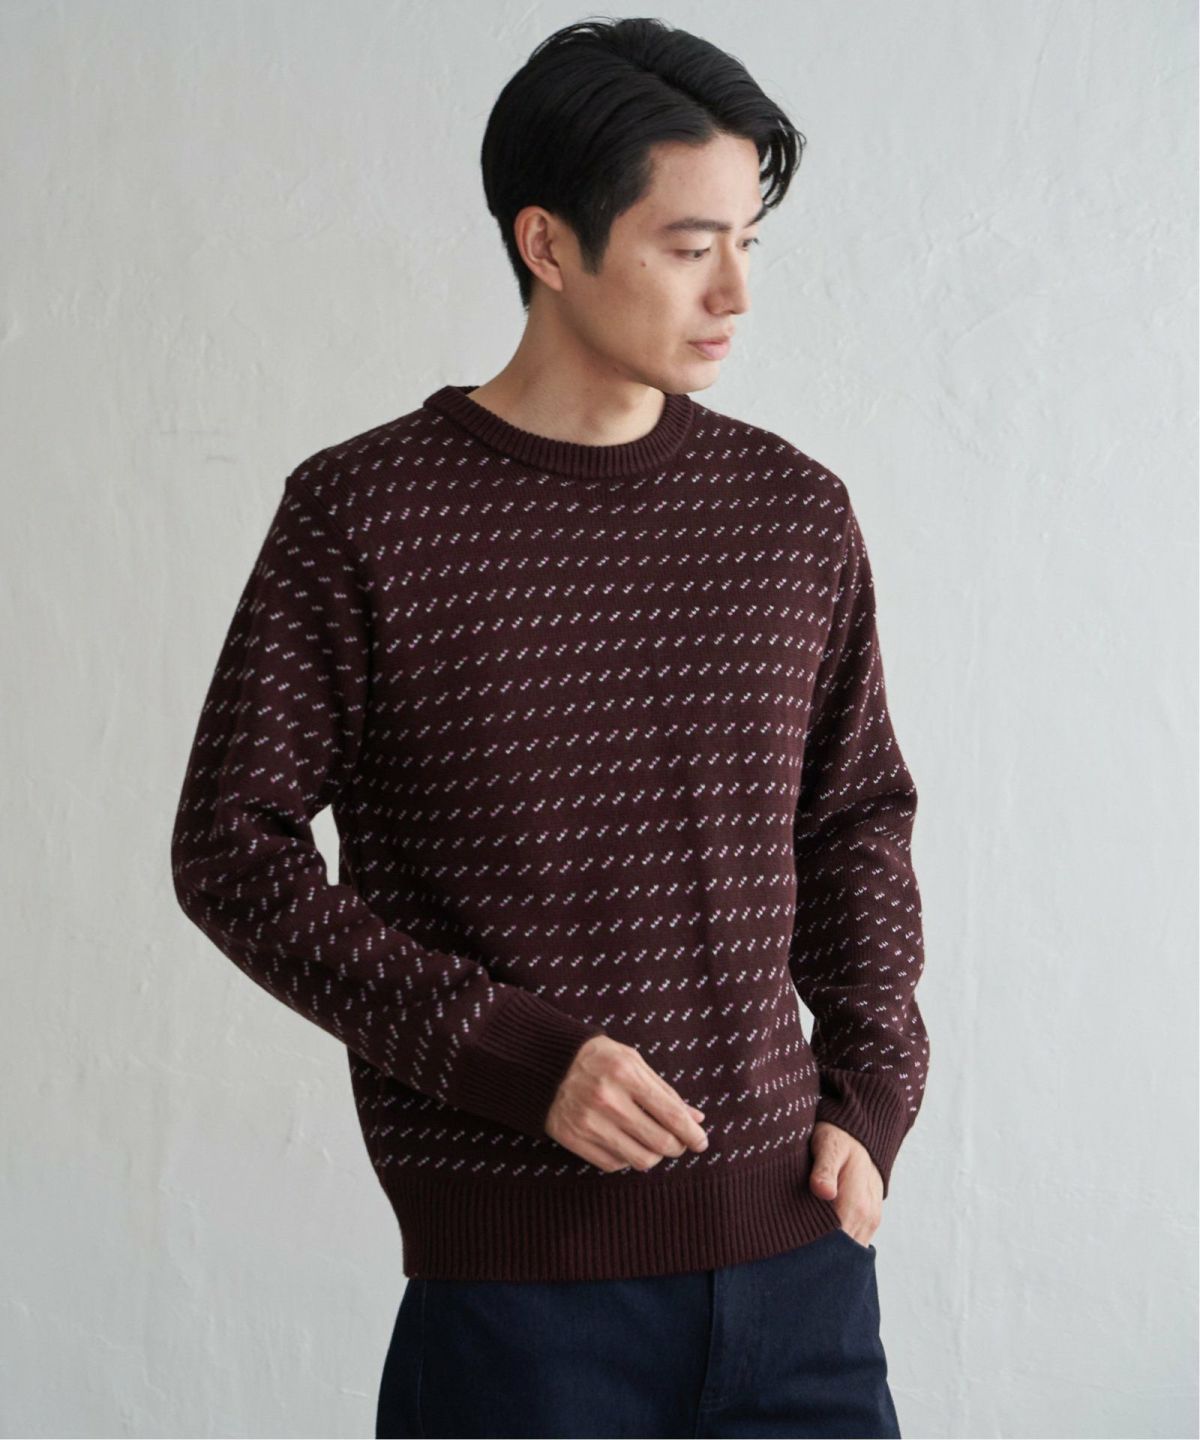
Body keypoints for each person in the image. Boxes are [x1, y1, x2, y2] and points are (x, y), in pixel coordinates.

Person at [170, 16, 929, 1439]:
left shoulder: (792, 513)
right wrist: (513, 1057)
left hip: (802, 1282)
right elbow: (233, 848)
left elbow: (855, 820)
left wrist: (874, 1087)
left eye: (749, 241)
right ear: (548, 243)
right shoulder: (365, 515)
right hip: (521, 1322)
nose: (735, 291)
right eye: (688, 245)